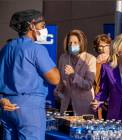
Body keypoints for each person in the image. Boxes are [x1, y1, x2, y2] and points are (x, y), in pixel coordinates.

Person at [0, 9, 60, 140]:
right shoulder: (36, 49)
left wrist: (2, 99)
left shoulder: (6, 48)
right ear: (32, 25)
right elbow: (55, 79)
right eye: (42, 26)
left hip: (6, 106)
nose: (45, 29)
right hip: (29, 110)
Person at [54, 29, 96, 115]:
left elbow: (88, 85)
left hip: (83, 107)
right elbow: (61, 81)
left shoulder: (90, 59)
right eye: (70, 43)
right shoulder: (63, 58)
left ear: (81, 43)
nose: (72, 45)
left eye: (75, 42)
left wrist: (73, 75)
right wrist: (58, 90)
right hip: (66, 105)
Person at [93, 34, 112, 119]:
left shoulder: (114, 62)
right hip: (95, 99)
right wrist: (96, 63)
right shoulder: (93, 62)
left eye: (106, 45)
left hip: (110, 102)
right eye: (101, 46)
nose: (103, 48)